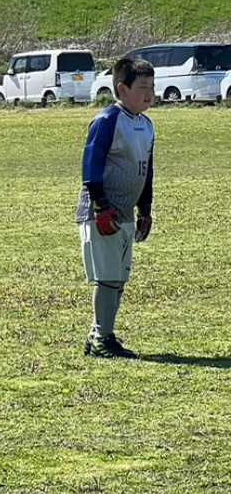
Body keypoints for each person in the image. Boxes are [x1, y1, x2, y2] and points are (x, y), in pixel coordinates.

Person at [76, 54, 156, 360]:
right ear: (122, 89)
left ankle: (100, 334)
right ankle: (101, 338)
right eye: (142, 88)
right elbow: (91, 165)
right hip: (102, 211)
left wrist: (144, 208)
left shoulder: (146, 125)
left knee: (118, 278)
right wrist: (100, 205)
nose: (149, 94)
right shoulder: (108, 120)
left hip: (125, 212)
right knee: (108, 277)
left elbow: (146, 171)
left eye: (152, 87)